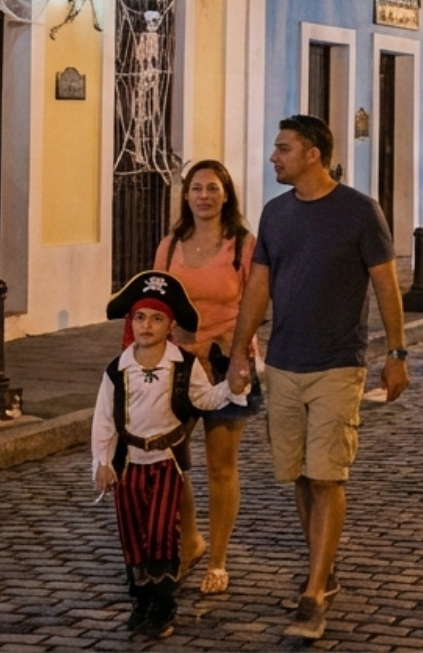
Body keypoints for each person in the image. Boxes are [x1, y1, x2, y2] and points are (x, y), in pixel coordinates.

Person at [226, 115, 409, 642]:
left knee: (327, 474)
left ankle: (312, 594)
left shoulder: (358, 212)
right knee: (301, 476)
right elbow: (258, 287)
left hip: (337, 363)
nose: (273, 157)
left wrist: (396, 352)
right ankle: (321, 568)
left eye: (282, 148)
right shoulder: (276, 214)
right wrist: (241, 351)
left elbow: (386, 286)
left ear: (312, 154)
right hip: (284, 362)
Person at [93, 272, 247, 638]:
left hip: (165, 464)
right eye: (140, 317)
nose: (147, 326)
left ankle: (163, 606)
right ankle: (142, 600)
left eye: (157, 318)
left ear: (170, 324)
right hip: (129, 463)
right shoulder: (118, 370)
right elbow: (103, 419)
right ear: (131, 322)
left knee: (162, 532)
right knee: (133, 534)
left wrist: (231, 388)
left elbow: (203, 399)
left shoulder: (183, 365)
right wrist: (102, 461)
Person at [153, 160, 259, 597]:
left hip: (225, 363)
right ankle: (190, 539)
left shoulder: (243, 245)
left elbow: (256, 301)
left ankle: (217, 558)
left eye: (213, 188)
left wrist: (241, 357)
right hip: (176, 364)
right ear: (186, 196)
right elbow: (155, 300)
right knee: (168, 460)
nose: (204, 196)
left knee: (221, 467)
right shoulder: (170, 245)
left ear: (226, 195)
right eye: (196, 188)